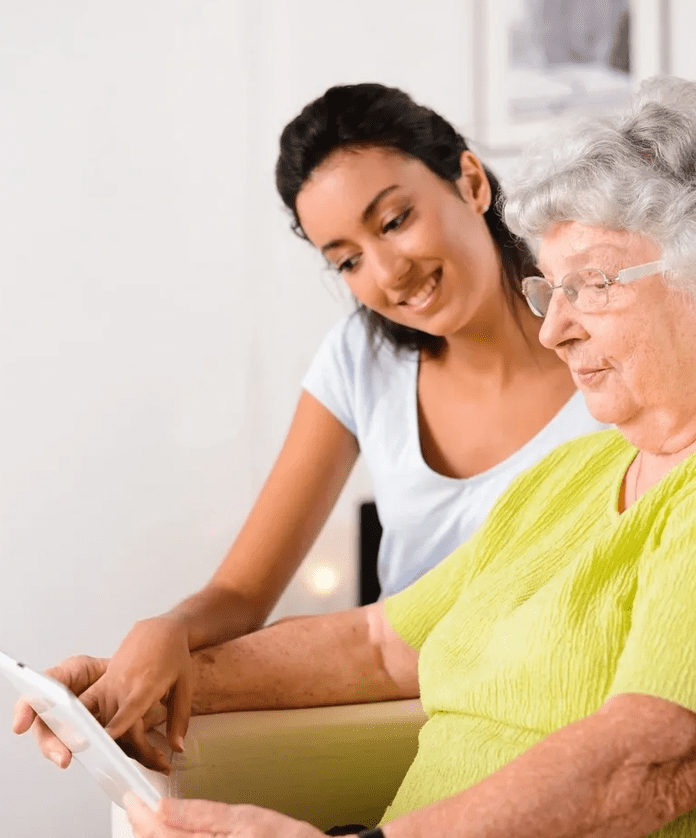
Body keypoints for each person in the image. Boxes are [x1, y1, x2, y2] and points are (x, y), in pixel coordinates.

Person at [50, 73, 696, 837]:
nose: (557, 329)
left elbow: (647, 760)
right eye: (548, 291)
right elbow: (380, 642)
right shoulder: (570, 474)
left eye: (590, 285)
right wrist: (139, 683)